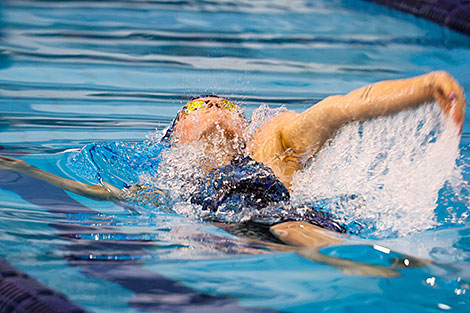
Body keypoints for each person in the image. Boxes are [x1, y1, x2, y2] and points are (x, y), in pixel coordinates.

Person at [0, 71, 466, 251]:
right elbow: (104, 194)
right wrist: (22, 169)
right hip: (230, 232)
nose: (214, 108)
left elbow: (345, 106)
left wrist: (425, 87)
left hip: (287, 218)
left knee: (289, 228)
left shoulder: (276, 142)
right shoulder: (173, 180)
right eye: (197, 107)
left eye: (224, 105)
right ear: (175, 137)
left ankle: (373, 265)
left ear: (245, 127)